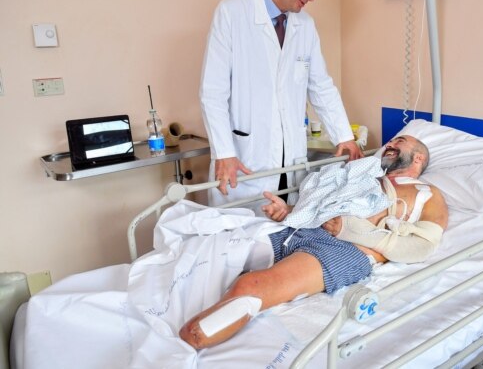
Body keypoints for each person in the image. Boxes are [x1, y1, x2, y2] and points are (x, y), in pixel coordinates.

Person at [179, 135, 448, 350]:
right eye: (390, 142)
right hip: (303, 227)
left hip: (346, 248)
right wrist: (288, 210)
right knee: (217, 250)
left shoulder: (426, 194)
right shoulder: (364, 175)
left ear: (419, 157)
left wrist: (352, 230)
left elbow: (422, 246)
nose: (390, 144)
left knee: (249, 286)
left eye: (400, 143)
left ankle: (185, 343)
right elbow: (318, 206)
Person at [199, 0, 362, 210]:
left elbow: (321, 85)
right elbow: (212, 92)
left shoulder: (305, 26)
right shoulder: (232, 12)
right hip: (246, 161)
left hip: (291, 163)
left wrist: (344, 136)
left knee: (284, 239)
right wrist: (224, 153)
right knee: (239, 244)